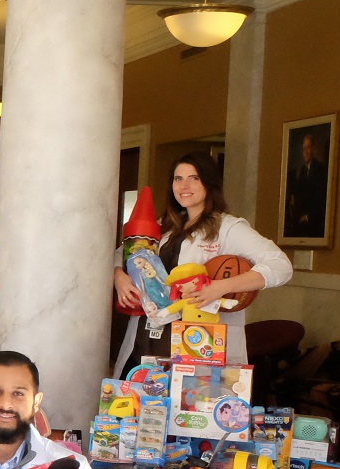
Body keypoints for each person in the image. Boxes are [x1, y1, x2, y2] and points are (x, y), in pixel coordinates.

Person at [113, 152, 292, 365]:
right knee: (140, 393)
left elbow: (281, 266)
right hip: (148, 333)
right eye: (178, 179)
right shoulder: (164, 225)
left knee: (188, 394)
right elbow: (122, 254)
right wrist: (119, 277)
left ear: (209, 183)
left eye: (194, 178)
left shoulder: (228, 228)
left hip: (197, 338)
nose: (184, 185)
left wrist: (219, 287)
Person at [285, 133, 329, 239]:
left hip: (314, 223)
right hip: (301, 221)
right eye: (304, 148)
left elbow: (321, 198)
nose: (306, 152)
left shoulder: (320, 169)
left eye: (308, 147)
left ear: (313, 149)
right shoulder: (302, 171)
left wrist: (308, 217)